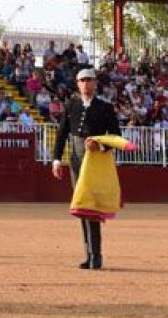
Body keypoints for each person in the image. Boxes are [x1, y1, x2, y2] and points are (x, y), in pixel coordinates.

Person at [51, 67, 120, 270]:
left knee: (91, 207)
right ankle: (89, 254)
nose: (86, 84)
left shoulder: (105, 108)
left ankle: (95, 255)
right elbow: (62, 133)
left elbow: (116, 136)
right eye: (83, 81)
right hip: (75, 160)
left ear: (95, 83)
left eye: (90, 80)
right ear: (77, 83)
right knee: (82, 207)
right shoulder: (71, 105)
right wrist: (56, 159)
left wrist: (99, 145)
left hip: (95, 162)